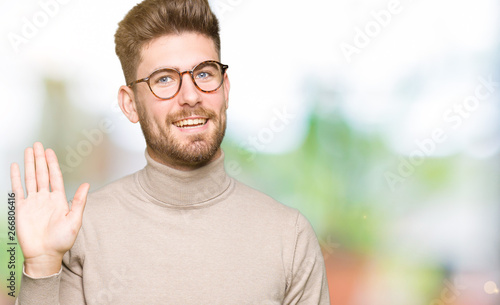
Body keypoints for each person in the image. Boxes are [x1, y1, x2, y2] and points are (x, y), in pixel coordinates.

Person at [10, 0, 331, 304]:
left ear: (226, 88)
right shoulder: (80, 230)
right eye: (164, 79)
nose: (191, 96)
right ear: (130, 104)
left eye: (204, 73)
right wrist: (41, 266)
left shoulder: (289, 236)